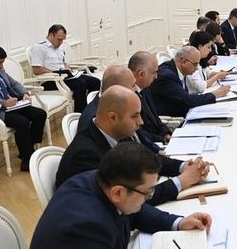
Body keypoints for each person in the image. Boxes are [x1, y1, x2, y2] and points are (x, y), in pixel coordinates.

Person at [24, 142, 213, 249]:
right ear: (118, 192)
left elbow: (135, 211)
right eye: (147, 193)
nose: (148, 198)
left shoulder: (102, 180)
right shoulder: (82, 227)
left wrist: (178, 222)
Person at [56, 85, 209, 207]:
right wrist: (182, 181)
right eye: (135, 116)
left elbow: (147, 160)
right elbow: (129, 199)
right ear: (113, 117)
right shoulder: (85, 154)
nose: (141, 122)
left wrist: (183, 166)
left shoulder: (114, 133)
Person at [0, 44, 46, 171]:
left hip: (12, 105)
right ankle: (27, 161)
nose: (2, 66)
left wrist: (24, 93)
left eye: (2, 63)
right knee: (22, 122)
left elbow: (14, 83)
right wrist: (3, 102)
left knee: (40, 114)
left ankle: (29, 147)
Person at [29, 24, 100, 112]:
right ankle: (80, 114)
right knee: (81, 84)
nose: (61, 42)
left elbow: (62, 63)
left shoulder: (58, 48)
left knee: (95, 82)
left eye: (62, 40)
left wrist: (68, 68)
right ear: (51, 35)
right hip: (50, 80)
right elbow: (36, 69)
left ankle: (91, 110)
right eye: (59, 39)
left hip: (65, 76)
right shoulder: (39, 48)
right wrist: (55, 73)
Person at [150, 46, 230, 118]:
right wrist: (215, 94)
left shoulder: (179, 69)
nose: (196, 68)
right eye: (195, 64)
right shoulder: (167, 76)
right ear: (184, 62)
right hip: (173, 119)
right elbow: (187, 101)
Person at [128, 51, 173, 144]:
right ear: (141, 74)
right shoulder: (129, 97)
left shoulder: (145, 89)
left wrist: (166, 133)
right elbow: (139, 132)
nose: (156, 77)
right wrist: (161, 140)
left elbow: (155, 117)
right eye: (154, 73)